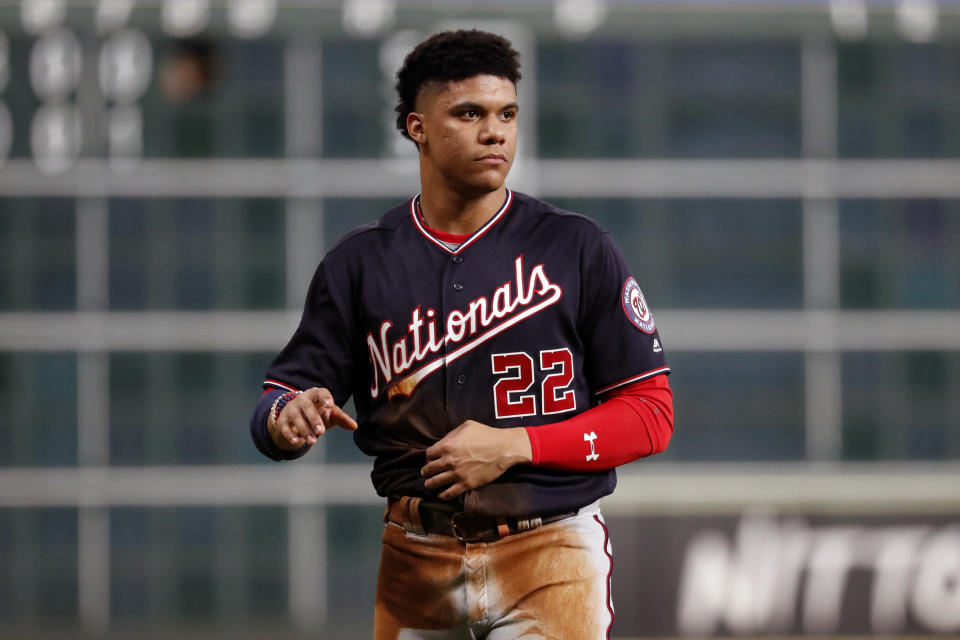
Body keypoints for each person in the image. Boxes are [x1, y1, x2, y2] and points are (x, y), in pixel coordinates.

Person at [250, 29, 674, 639]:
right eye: (468, 113)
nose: (495, 131)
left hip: (549, 549)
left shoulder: (576, 247)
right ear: (416, 127)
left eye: (506, 113)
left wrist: (518, 445)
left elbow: (650, 414)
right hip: (413, 556)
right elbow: (277, 404)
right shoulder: (360, 263)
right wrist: (286, 417)